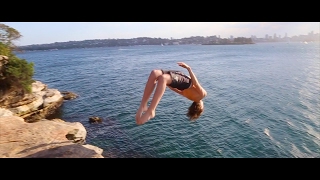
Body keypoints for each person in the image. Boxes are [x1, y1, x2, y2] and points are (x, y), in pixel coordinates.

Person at [135, 62, 207, 125]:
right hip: (179, 80)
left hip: (185, 81)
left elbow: (196, 83)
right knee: (155, 73)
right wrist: (165, 84)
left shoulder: (202, 95)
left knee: (161, 77)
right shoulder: (190, 97)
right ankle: (143, 105)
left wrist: (189, 68)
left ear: (200, 107)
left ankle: (151, 110)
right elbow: (177, 90)